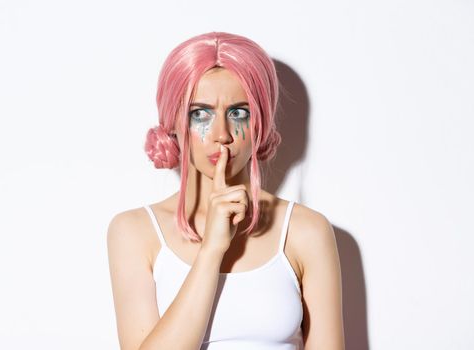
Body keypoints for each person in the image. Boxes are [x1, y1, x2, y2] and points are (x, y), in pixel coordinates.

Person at [107, 32, 345, 350]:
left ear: (260, 122)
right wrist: (211, 251)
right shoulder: (135, 231)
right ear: (173, 125)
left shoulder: (305, 231)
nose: (221, 135)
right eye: (200, 114)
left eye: (238, 113)